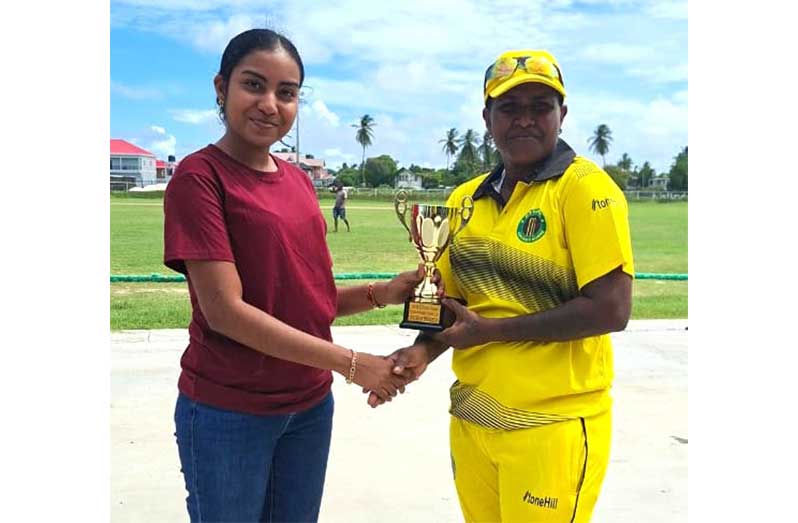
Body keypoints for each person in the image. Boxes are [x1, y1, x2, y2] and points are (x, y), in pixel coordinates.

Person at [163, 28, 421, 523]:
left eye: (286, 92)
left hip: (308, 407)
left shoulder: (300, 183)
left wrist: (383, 293)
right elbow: (225, 313)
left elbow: (308, 300)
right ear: (221, 87)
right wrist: (351, 364)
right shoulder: (200, 178)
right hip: (229, 411)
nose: (270, 104)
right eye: (253, 85)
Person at [372, 49, 634, 522]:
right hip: (474, 417)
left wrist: (491, 332)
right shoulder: (464, 199)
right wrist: (421, 352)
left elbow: (610, 309)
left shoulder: (585, 188)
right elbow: (453, 304)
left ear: (562, 115)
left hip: (551, 425)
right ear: (487, 118)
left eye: (540, 107)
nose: (525, 120)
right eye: (510, 108)